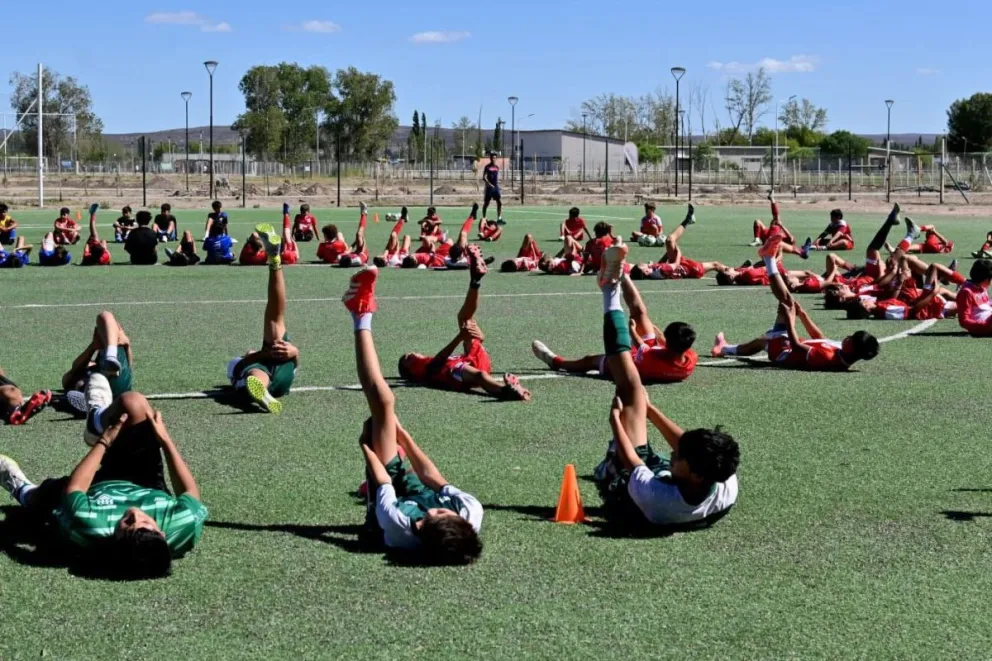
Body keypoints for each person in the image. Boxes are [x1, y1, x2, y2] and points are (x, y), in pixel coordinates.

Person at [341, 264, 484, 564]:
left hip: (389, 500)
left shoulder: (399, 527)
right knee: (383, 413)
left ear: (422, 526)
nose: (445, 507)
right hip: (417, 491)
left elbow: (384, 482)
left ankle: (360, 313)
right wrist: (402, 434)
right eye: (449, 511)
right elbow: (433, 478)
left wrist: (365, 449)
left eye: (439, 512)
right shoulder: (470, 511)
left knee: (381, 407)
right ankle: (360, 313)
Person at [591, 243, 739, 528]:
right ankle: (610, 288)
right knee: (640, 397)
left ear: (696, 474)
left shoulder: (658, 498)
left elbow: (632, 461)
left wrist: (615, 423)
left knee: (631, 388)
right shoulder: (723, 481)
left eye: (679, 455)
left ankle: (609, 291)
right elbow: (687, 448)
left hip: (626, 485)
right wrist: (650, 409)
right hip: (669, 479)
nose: (673, 451)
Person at [0, 389, 207, 579]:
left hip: (95, 489)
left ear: (114, 538)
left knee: (41, 498)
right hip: (148, 484)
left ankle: (23, 490)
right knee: (133, 402)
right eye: (145, 522)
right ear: (162, 533)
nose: (134, 514)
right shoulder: (182, 525)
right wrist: (165, 439)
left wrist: (105, 441)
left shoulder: (89, 523)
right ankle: (95, 425)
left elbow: (76, 488)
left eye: (127, 525)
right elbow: (189, 492)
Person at [712, 234, 880, 371]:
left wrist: (791, 319)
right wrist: (802, 314)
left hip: (783, 353)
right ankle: (724, 349)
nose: (848, 337)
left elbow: (797, 346)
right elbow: (819, 338)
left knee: (784, 309)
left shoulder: (828, 358)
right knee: (783, 312)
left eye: (851, 338)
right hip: (788, 344)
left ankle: (769, 259)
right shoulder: (843, 352)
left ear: (853, 348)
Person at [398, 246, 531, 401]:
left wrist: (476, 337)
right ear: (409, 371)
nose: (412, 354)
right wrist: (460, 337)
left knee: (464, 319)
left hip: (471, 362)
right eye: (408, 358)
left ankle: (475, 280)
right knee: (479, 374)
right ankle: (506, 391)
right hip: (453, 372)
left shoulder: (425, 362)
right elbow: (435, 365)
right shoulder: (419, 370)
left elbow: (463, 347)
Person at [533, 273, 699, 384]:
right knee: (641, 313)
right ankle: (623, 275)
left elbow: (642, 348)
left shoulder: (652, 361)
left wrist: (632, 329)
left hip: (633, 366)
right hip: (655, 353)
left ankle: (556, 362)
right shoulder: (690, 359)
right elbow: (662, 347)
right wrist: (658, 336)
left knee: (589, 360)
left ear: (669, 343)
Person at [226, 225, 299, 413]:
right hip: (282, 376)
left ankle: (275, 259)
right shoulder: (249, 360)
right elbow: (295, 367)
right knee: (274, 323)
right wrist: (294, 352)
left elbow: (241, 365)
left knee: (255, 372)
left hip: (267, 369)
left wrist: (259, 355)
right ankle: (275, 260)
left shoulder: (240, 362)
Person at [629, 205, 728, 280]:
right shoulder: (662, 271)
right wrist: (678, 251)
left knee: (669, 240)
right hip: (691, 269)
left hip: (681, 264)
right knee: (715, 264)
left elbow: (661, 263)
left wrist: (668, 253)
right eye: (644, 265)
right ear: (646, 271)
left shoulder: (654, 271)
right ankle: (732, 274)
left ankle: (688, 219)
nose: (646, 264)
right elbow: (675, 264)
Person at [62, 311, 134, 409]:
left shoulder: (103, 360)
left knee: (106, 317)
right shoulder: (81, 371)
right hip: (113, 388)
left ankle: (93, 401)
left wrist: (127, 345)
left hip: (114, 382)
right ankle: (92, 399)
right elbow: (69, 375)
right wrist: (92, 347)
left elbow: (128, 368)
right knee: (105, 316)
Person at [847, 259, 958, 321]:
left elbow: (893, 300)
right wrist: (932, 294)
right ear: (865, 307)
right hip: (928, 308)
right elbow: (912, 311)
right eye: (862, 301)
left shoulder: (879, 308)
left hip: (923, 302)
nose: (865, 299)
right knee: (934, 267)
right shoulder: (884, 310)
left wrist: (899, 281)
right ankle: (965, 283)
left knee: (906, 260)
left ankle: (959, 283)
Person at [956, 259, 992, 337]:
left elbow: (985, 307)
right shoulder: (966, 292)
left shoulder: (981, 287)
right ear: (986, 279)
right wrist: (985, 325)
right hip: (984, 326)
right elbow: (964, 321)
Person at [338, 202, 371, 268]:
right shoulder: (357, 260)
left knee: (358, 235)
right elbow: (363, 251)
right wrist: (363, 238)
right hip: (363, 253)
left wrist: (355, 242)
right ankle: (364, 213)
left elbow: (349, 250)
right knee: (359, 234)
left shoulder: (341, 257)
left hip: (357, 252)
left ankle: (364, 214)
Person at [481, 151, 504, 225]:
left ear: (496, 158)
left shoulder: (497, 167)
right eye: (492, 157)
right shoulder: (487, 167)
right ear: (490, 158)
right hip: (489, 188)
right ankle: (484, 218)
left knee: (499, 202)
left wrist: (496, 184)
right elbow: (484, 177)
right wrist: (489, 184)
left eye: (494, 157)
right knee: (486, 203)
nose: (493, 159)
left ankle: (499, 218)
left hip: (496, 187)